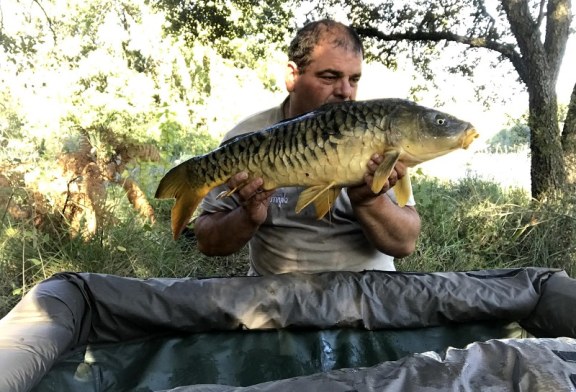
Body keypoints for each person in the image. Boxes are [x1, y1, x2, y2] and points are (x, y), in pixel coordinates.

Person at [194, 19, 421, 275]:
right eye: (329, 77)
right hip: (274, 294)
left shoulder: (375, 133)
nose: (346, 91)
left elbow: (405, 242)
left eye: (354, 79)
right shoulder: (247, 138)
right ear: (292, 76)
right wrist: (247, 216)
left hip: (365, 292)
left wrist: (370, 202)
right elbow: (207, 241)